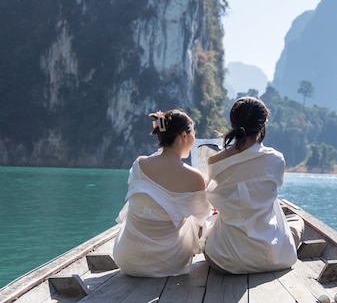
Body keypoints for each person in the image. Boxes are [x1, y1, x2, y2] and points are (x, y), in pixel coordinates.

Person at [203, 96, 305, 274]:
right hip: (275, 259)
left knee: (211, 229)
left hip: (226, 262)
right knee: (297, 220)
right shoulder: (276, 159)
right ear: (263, 124)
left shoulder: (214, 161)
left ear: (233, 123)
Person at [112, 109, 211, 277]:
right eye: (193, 132)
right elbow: (202, 220)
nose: (194, 136)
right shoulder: (194, 177)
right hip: (168, 263)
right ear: (183, 136)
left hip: (127, 260)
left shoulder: (139, 164)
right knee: (198, 218)